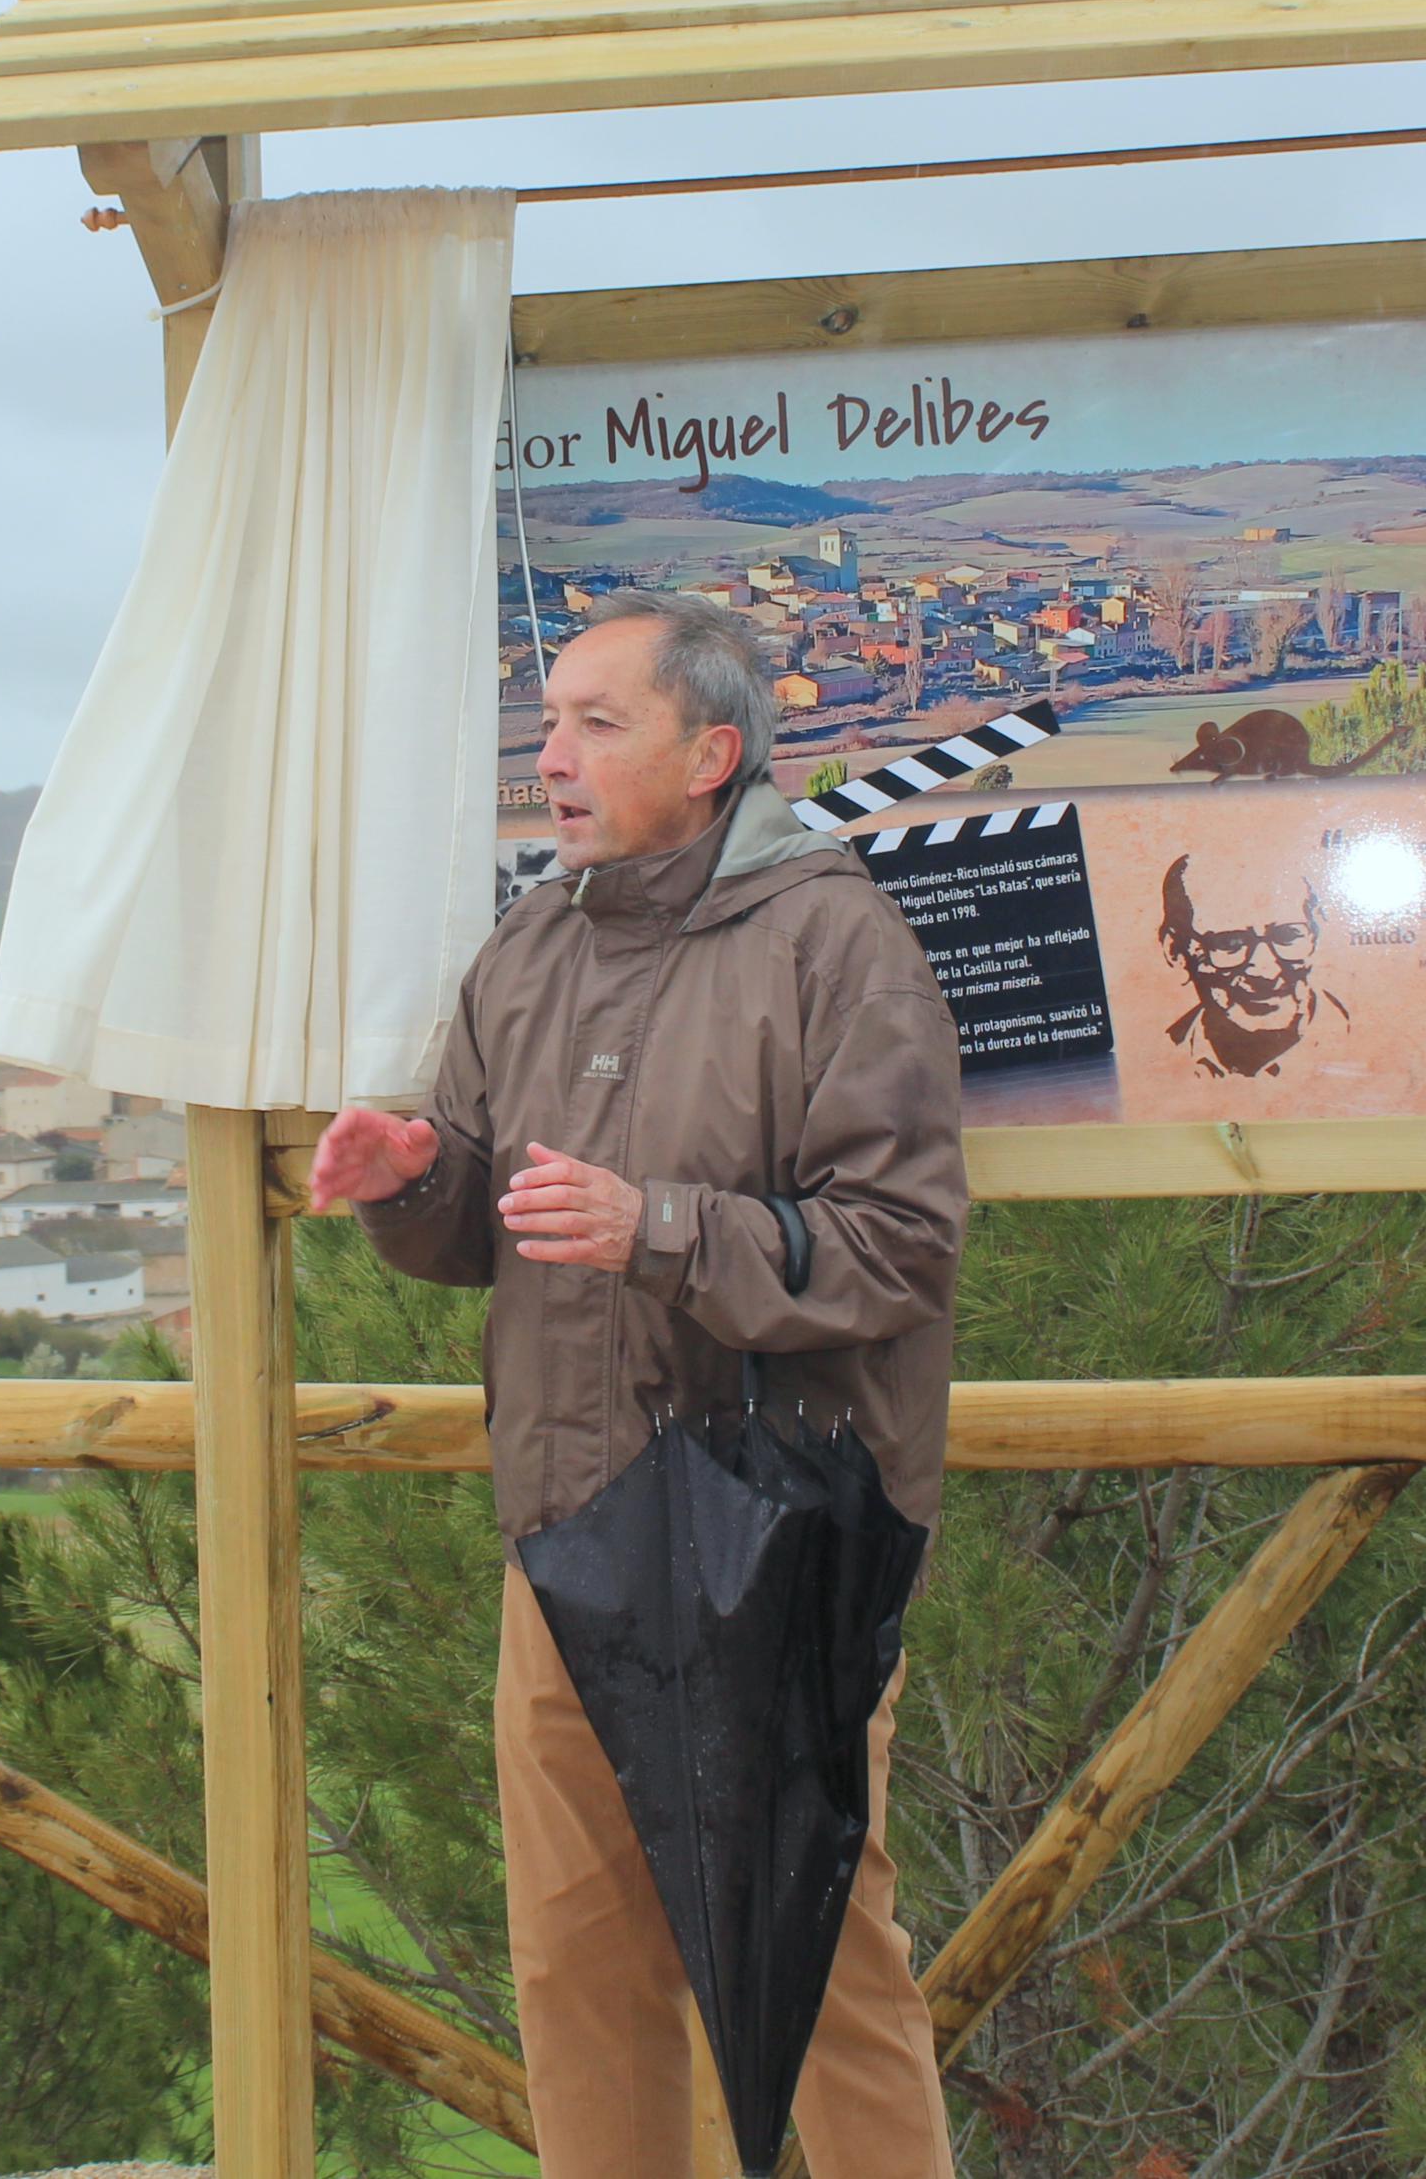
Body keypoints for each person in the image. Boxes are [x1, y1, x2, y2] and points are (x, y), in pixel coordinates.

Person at [313, 589, 965, 2179]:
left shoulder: (838, 942)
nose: (555, 758)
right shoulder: (528, 946)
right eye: (550, 724)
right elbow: (487, 1229)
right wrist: (413, 1180)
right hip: (567, 1526)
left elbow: (899, 1247)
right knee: (581, 1968)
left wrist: (654, 1229)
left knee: (811, 1960)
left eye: (600, 725)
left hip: (777, 1542)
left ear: (712, 754)